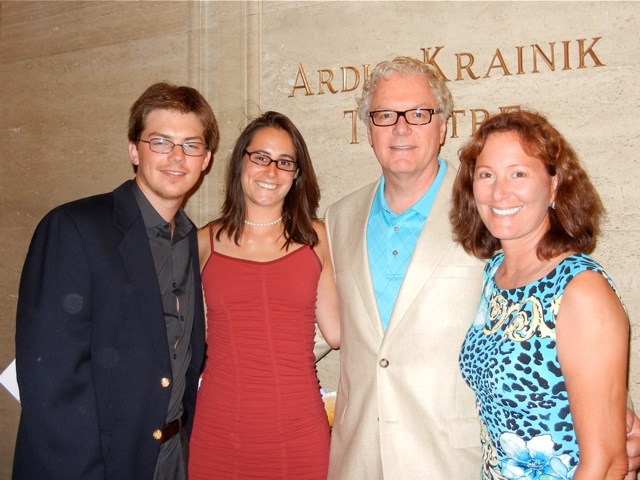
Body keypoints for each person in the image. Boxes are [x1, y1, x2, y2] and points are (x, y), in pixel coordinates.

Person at [323, 56, 640, 479]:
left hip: (453, 461)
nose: (401, 127)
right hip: (360, 457)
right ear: (367, 129)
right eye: (384, 115)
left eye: (419, 113)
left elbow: (573, 322)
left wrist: (618, 421)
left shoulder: (487, 216)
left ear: (443, 126)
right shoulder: (339, 217)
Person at [13, 82, 219, 480]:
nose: (177, 157)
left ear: (206, 159)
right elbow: (51, 384)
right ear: (133, 150)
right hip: (97, 464)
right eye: (160, 142)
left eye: (191, 145)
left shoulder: (191, 243)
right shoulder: (74, 228)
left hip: (173, 459)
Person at [451, 109, 629, 479]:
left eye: (518, 173)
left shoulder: (579, 290)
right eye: (486, 175)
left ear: (554, 185)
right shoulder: (493, 277)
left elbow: (608, 463)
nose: (500, 191)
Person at [188, 111, 340, 479]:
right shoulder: (201, 243)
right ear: (240, 160)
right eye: (261, 157)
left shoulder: (317, 239)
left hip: (299, 431)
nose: (271, 171)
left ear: (297, 174)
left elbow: (337, 333)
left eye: (285, 162)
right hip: (217, 431)